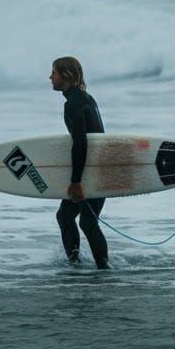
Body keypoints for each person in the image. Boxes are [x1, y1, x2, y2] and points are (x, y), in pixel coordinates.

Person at [49, 56, 109, 269]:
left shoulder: (74, 104)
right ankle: (74, 264)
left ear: (66, 75)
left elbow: (81, 143)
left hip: (92, 171)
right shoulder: (85, 98)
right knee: (65, 217)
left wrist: (76, 182)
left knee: (87, 221)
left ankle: (104, 268)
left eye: (54, 72)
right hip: (96, 167)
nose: (50, 77)